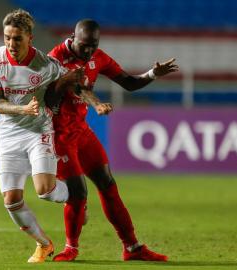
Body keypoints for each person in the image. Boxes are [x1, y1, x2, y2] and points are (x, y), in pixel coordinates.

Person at [48, 19, 178, 262]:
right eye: (84, 45)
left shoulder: (98, 57)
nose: (88, 51)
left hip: (81, 132)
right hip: (58, 135)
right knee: (78, 193)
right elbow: (76, 89)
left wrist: (152, 74)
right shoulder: (55, 58)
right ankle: (71, 248)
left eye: (93, 45)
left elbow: (128, 83)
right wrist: (97, 104)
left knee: (108, 184)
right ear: (73, 37)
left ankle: (133, 248)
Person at [0, 9, 83, 263]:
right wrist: (22, 108)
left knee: (45, 191)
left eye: (17, 38)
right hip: (8, 135)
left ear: (30, 38)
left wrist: (87, 97)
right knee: (11, 200)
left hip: (38, 130)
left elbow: (72, 83)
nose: (11, 44)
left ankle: (75, 197)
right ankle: (44, 244)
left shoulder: (47, 65)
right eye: (7, 38)